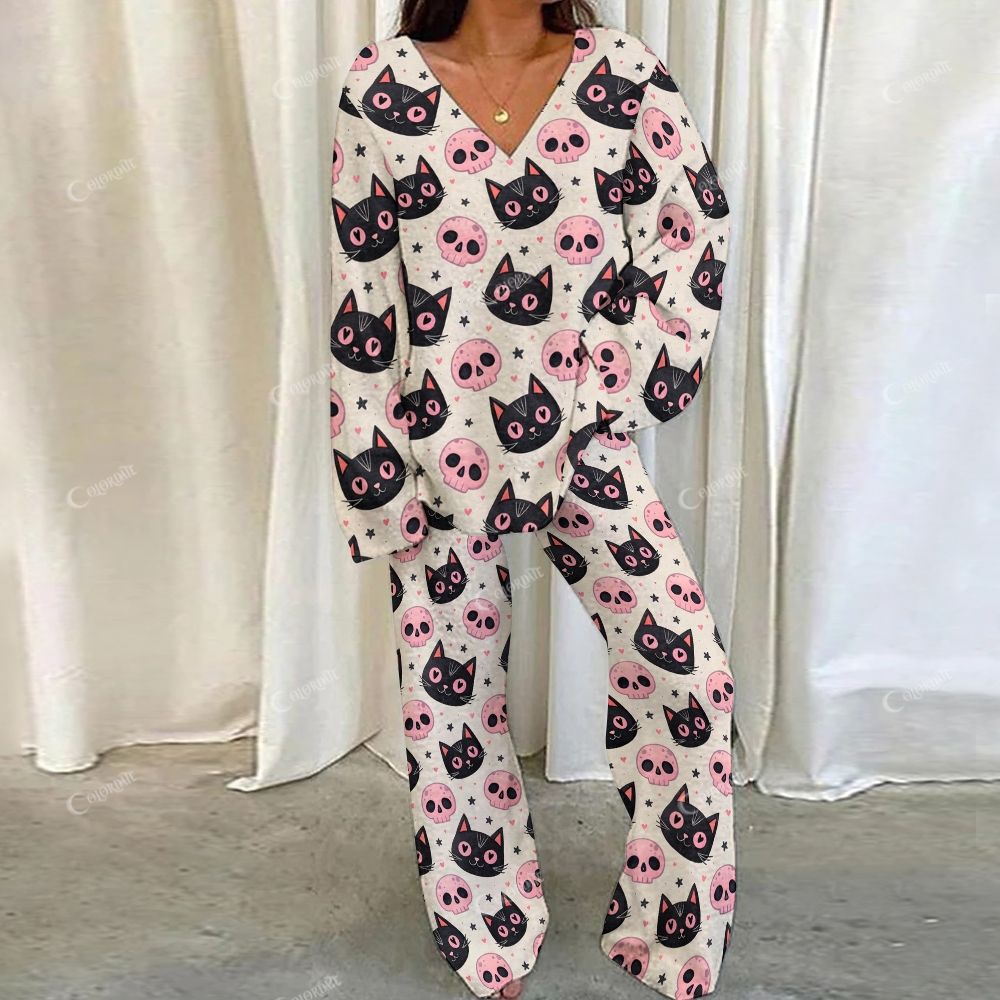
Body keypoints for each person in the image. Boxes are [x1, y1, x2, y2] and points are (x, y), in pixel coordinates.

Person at [328, 1, 734, 996]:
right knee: (449, 698)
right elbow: (364, 291)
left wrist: (625, 382)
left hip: (586, 439)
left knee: (688, 675)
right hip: (439, 441)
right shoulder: (382, 87)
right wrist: (373, 471)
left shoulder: (624, 75)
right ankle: (487, 928)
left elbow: (691, 234)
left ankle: (671, 922)